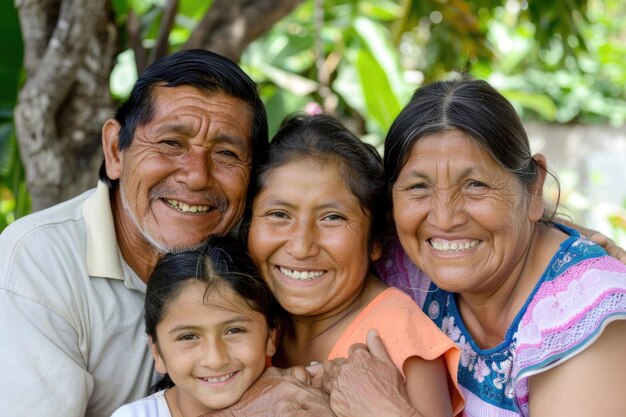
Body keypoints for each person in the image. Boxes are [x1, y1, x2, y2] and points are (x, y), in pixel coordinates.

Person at [0, 49, 326, 417]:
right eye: (171, 144)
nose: (197, 175)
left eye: (226, 154)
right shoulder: (39, 260)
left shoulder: (261, 252)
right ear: (115, 150)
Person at [322, 77, 626, 417]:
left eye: (475, 185)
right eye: (418, 187)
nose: (445, 218)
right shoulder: (405, 264)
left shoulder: (582, 316)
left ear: (534, 187)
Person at [244, 113, 465, 416]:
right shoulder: (244, 316)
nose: (301, 246)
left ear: (375, 240)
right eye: (279, 214)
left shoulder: (399, 337)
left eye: (332, 218)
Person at [111, 237, 281, 417]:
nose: (215, 360)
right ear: (157, 352)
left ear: (271, 336)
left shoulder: (299, 407)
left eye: (234, 330)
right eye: (188, 336)